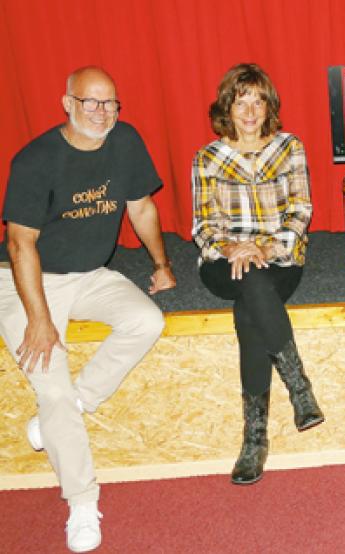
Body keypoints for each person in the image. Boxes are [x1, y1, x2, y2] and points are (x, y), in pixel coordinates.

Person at [0, 66, 176, 552]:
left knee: (146, 320)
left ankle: (80, 402)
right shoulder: (36, 160)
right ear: (67, 103)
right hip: (27, 282)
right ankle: (81, 501)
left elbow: (141, 207)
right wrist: (39, 319)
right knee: (50, 387)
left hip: (90, 274)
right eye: (91, 103)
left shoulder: (126, 141)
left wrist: (161, 264)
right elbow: (20, 245)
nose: (102, 113)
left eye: (110, 104)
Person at [192, 63, 323, 486]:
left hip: (279, 258)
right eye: (240, 101)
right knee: (248, 277)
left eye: (258, 101)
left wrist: (265, 247)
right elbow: (203, 226)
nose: (249, 111)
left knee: (252, 300)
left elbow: (301, 211)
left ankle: (254, 440)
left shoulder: (290, 148)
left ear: (269, 107)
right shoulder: (207, 159)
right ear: (226, 108)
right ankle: (298, 386)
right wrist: (233, 248)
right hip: (222, 262)